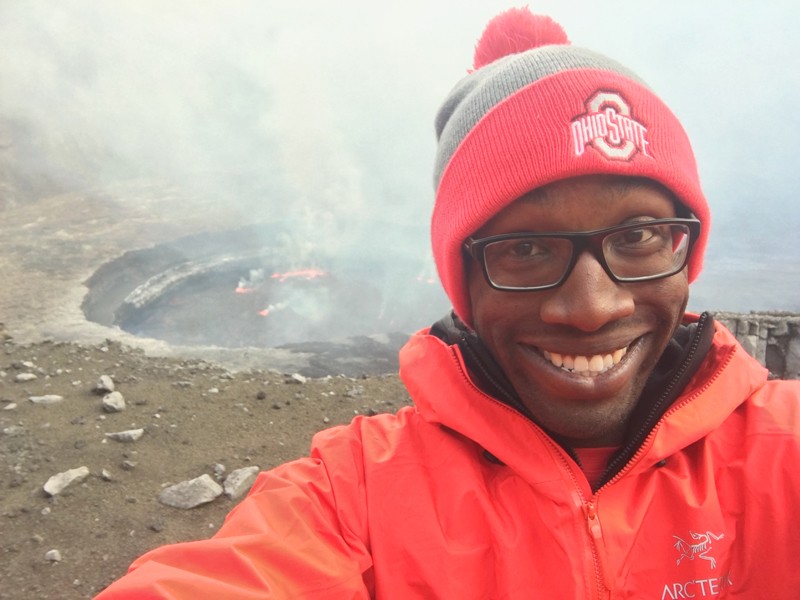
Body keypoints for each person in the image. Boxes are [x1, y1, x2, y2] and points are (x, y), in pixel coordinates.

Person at [97, 7, 800, 598]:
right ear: (463, 281)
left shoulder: (783, 454)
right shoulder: (356, 500)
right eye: (524, 248)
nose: (591, 307)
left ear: (687, 248)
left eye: (641, 235)